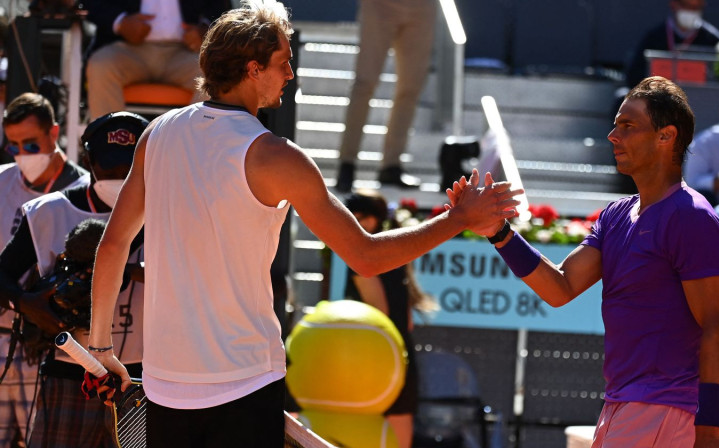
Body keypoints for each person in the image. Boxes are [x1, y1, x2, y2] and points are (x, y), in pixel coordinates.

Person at [86, 2, 520, 447]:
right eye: (283, 62)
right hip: (244, 383)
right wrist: (459, 218)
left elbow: (114, 244)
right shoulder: (276, 156)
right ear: (253, 69)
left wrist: (101, 347)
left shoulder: (156, 134)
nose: (290, 74)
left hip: (165, 385)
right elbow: (366, 256)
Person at [451, 76, 719, 447]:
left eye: (628, 126)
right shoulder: (616, 215)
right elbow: (560, 287)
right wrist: (498, 232)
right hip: (621, 405)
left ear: (666, 136)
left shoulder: (691, 217)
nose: (613, 136)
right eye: (616, 125)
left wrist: (710, 430)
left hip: (664, 409)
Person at [0, 111, 148, 447]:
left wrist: (124, 270)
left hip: (144, 377)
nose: (119, 177)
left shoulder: (170, 212)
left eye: (128, 169)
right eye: (110, 168)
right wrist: (27, 304)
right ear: (89, 162)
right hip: (70, 373)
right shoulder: (47, 213)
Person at [0, 92, 88, 447]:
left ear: (54, 133)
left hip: (49, 348)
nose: (23, 154)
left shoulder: (83, 193)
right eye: (14, 146)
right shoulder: (1, 181)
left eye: (32, 144)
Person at [342, 190, 437, 448]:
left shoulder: (361, 258)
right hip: (401, 354)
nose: (352, 224)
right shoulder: (395, 253)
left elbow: (378, 313)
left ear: (373, 219)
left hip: (375, 357)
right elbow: (407, 322)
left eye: (357, 218)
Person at [335, 0, 437, 191]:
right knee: (365, 82)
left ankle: (391, 165)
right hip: (380, 5)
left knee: (410, 88)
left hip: (422, 7)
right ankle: (347, 163)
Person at [84, 0, 231, 119]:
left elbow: (220, 9)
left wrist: (204, 31)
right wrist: (120, 22)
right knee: (100, 65)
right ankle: (108, 143)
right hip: (128, 49)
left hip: (185, 52)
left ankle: (194, 144)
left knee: (215, 71)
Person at [625, 0, 719, 88]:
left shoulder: (713, 40)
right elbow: (634, 75)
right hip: (659, 99)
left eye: (695, 7)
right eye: (685, 5)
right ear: (673, 4)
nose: (690, 10)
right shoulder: (654, 37)